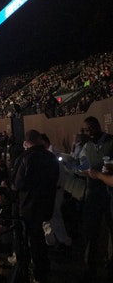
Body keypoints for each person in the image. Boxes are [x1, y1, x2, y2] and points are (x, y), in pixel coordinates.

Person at [12, 130, 59, 282]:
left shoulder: (25, 158)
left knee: (31, 239)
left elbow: (18, 184)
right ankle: (43, 269)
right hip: (46, 204)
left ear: (26, 142)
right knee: (39, 238)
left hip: (28, 207)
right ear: (39, 139)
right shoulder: (50, 157)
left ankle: (32, 271)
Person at [80, 116, 113, 282]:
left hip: (109, 193)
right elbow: (82, 165)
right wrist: (84, 170)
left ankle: (110, 265)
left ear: (98, 126)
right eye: (86, 130)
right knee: (91, 231)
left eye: (91, 128)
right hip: (93, 193)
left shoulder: (110, 142)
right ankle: (90, 267)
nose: (89, 132)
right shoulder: (87, 146)